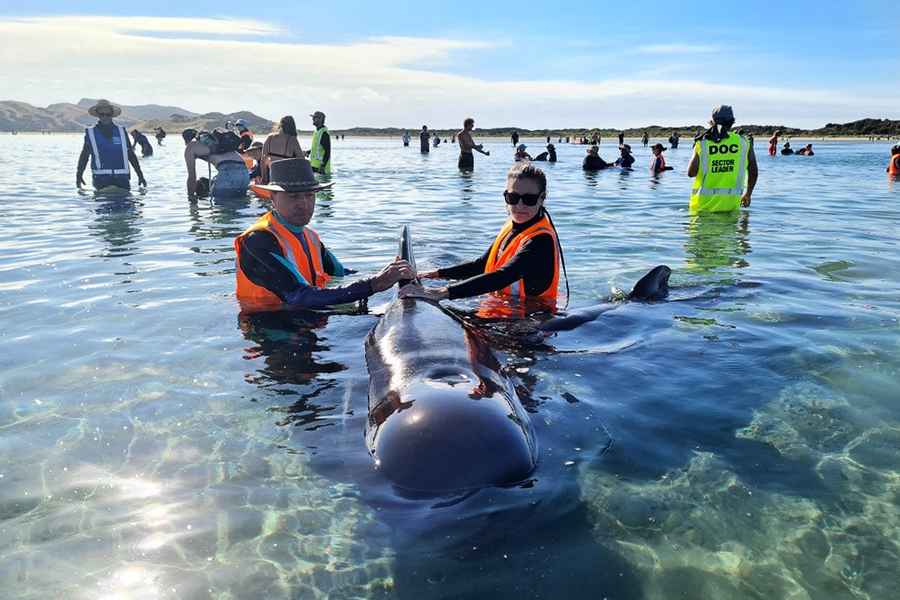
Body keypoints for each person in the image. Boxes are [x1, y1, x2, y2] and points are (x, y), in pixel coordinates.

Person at [234, 158, 414, 313]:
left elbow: (341, 273)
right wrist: (374, 284)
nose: (303, 204)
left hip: (310, 319)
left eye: (309, 195)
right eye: (293, 197)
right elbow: (298, 296)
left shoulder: (310, 237)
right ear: (273, 197)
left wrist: (395, 274)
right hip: (270, 329)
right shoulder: (257, 241)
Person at [400, 162, 561, 313]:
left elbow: (504, 275)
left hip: (529, 321)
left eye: (529, 199)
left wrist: (439, 292)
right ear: (505, 196)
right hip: (505, 309)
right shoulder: (513, 226)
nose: (519, 206)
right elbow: (481, 265)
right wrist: (435, 274)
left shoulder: (541, 240)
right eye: (513, 198)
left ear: (542, 198)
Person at [687, 105, 758, 212]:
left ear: (712, 122)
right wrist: (748, 194)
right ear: (732, 122)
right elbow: (753, 171)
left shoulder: (703, 143)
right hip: (730, 207)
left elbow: (691, 173)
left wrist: (696, 148)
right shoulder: (744, 142)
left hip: (702, 208)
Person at [76, 99, 146, 190]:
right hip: (101, 180)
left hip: (122, 179)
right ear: (98, 115)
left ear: (112, 115)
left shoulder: (121, 132)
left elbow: (130, 155)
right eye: (102, 114)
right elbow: (84, 156)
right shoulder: (91, 133)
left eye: (108, 114)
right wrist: (79, 175)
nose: (105, 117)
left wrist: (140, 175)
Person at [184, 129, 250, 197]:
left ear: (186, 141)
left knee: (222, 206)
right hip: (245, 172)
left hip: (228, 172)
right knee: (240, 203)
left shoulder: (190, 147)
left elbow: (192, 177)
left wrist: (191, 198)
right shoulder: (216, 142)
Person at [261, 116, 304, 183]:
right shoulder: (292, 140)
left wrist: (264, 179)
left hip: (272, 177)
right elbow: (302, 161)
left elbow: (263, 160)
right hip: (287, 179)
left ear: (280, 125)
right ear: (292, 127)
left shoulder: (269, 138)